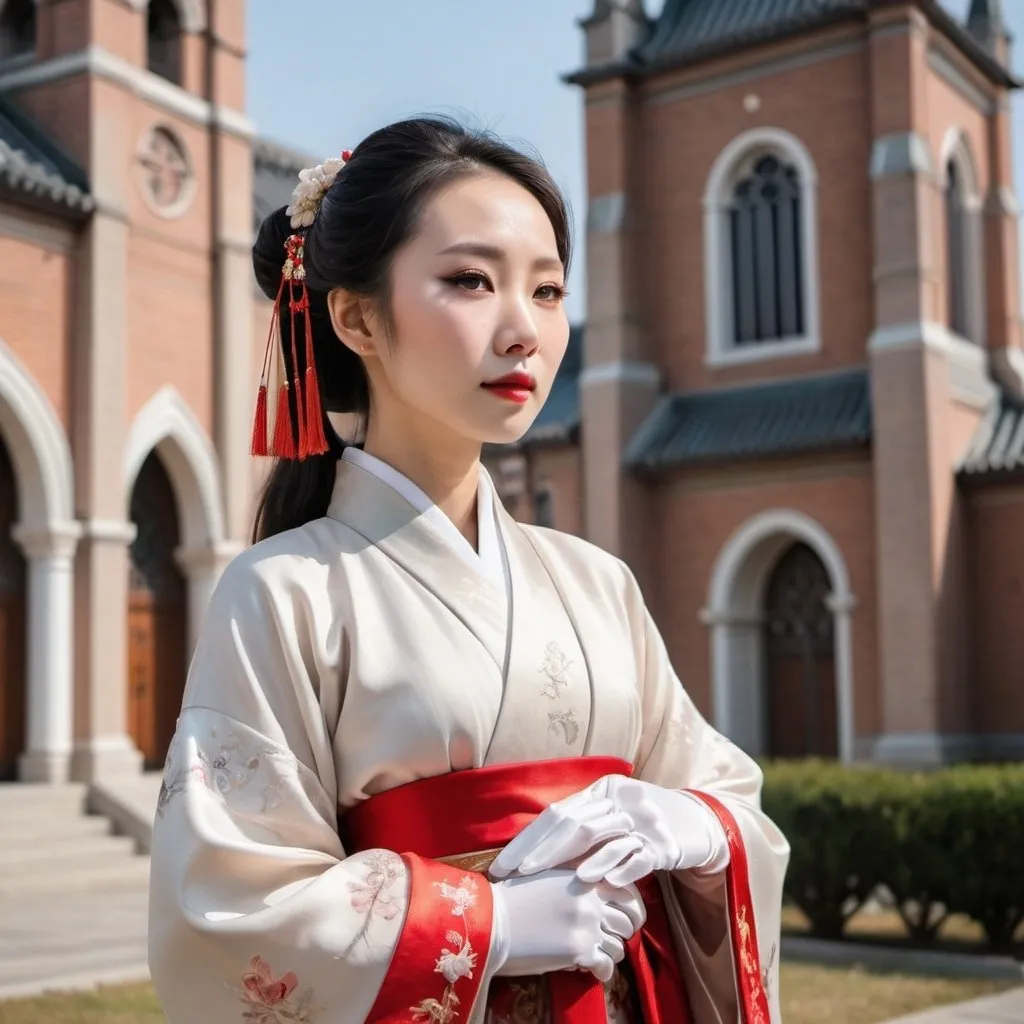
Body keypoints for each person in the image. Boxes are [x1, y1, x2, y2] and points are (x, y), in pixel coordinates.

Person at [148, 116, 788, 1024]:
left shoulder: (596, 580)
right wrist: (484, 923)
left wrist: (692, 827)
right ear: (356, 315)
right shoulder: (281, 592)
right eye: (471, 281)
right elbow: (226, 904)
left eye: (550, 290)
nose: (524, 330)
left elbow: (720, 790)